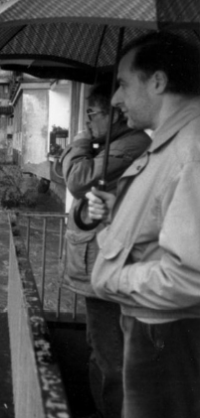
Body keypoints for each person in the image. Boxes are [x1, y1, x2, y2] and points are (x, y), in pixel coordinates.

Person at [87, 32, 200, 418]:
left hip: (167, 338)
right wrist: (114, 216)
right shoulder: (169, 144)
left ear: (158, 81)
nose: (115, 99)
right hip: (155, 332)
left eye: (121, 83)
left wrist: (113, 278)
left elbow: (192, 277)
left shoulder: (192, 149)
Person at [59, 81, 150, 418]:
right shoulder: (116, 145)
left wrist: (81, 141)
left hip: (107, 268)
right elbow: (66, 171)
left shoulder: (130, 145)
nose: (87, 123)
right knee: (102, 353)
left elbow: (77, 179)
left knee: (110, 360)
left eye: (92, 114)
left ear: (112, 115)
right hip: (100, 265)